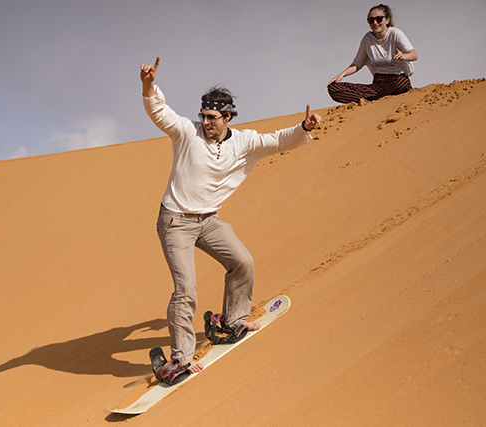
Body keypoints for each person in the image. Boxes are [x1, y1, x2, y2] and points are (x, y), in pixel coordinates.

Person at [140, 56, 321, 380]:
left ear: (227, 117)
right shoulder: (187, 133)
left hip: (208, 220)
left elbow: (278, 140)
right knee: (186, 291)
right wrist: (148, 86)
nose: (206, 123)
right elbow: (160, 112)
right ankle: (180, 359)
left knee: (243, 262)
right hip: (176, 221)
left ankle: (233, 320)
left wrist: (304, 128)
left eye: (212, 118)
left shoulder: (245, 142)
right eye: (204, 117)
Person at [328, 4, 418, 104]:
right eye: (371, 20)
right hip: (377, 86)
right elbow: (357, 64)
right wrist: (342, 75)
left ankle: (374, 100)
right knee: (333, 88)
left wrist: (403, 56)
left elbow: (414, 55)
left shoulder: (395, 34)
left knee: (402, 84)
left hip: (396, 80)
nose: (375, 22)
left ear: (387, 20)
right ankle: (367, 101)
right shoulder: (367, 39)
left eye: (379, 19)